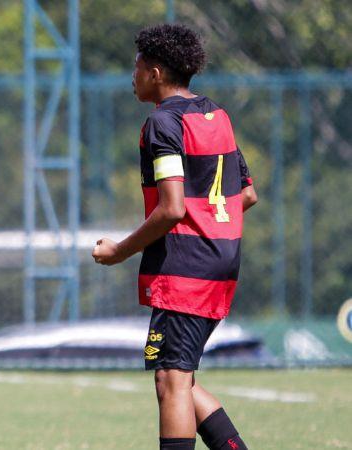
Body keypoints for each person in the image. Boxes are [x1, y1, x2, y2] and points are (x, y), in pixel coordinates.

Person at [91, 23, 257, 450]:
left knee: (171, 379)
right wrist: (212, 223)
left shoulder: (162, 124)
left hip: (186, 266)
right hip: (221, 259)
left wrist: (119, 251)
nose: (133, 75)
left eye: (138, 67)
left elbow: (171, 207)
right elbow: (248, 194)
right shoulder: (216, 115)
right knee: (179, 375)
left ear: (157, 73)